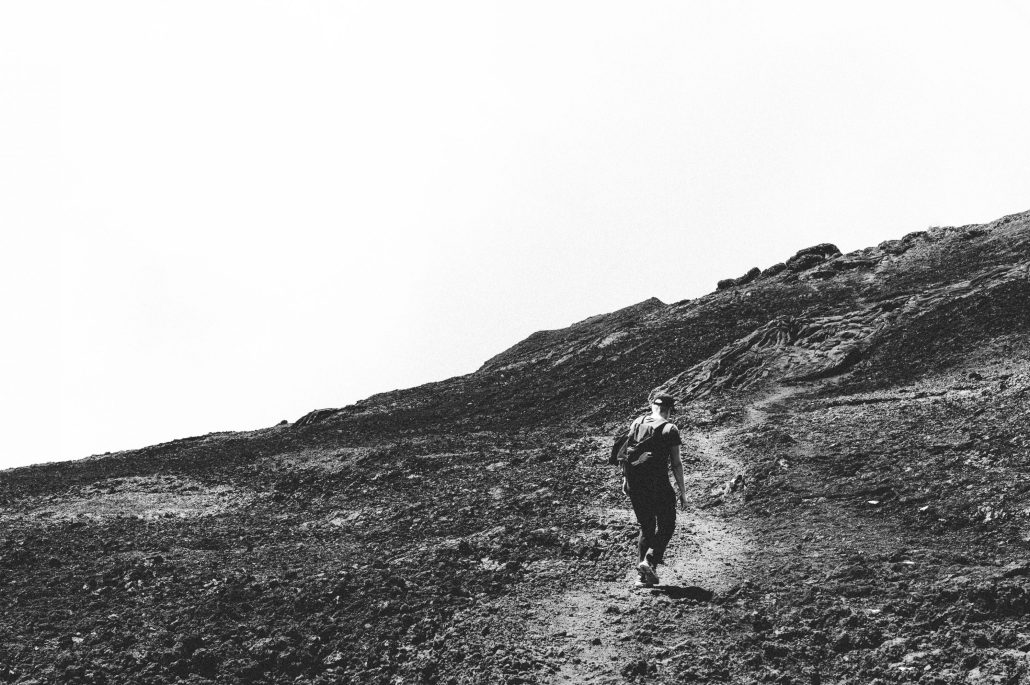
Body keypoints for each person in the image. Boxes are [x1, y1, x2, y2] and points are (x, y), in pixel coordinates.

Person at [620, 393, 688, 587]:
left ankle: (643, 577)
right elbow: (676, 464)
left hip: (636, 485)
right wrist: (682, 492)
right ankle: (649, 560)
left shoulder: (636, 422)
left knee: (646, 528)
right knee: (667, 524)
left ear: (653, 407)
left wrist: (626, 480)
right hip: (657, 485)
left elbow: (625, 453)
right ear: (668, 410)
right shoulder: (670, 429)